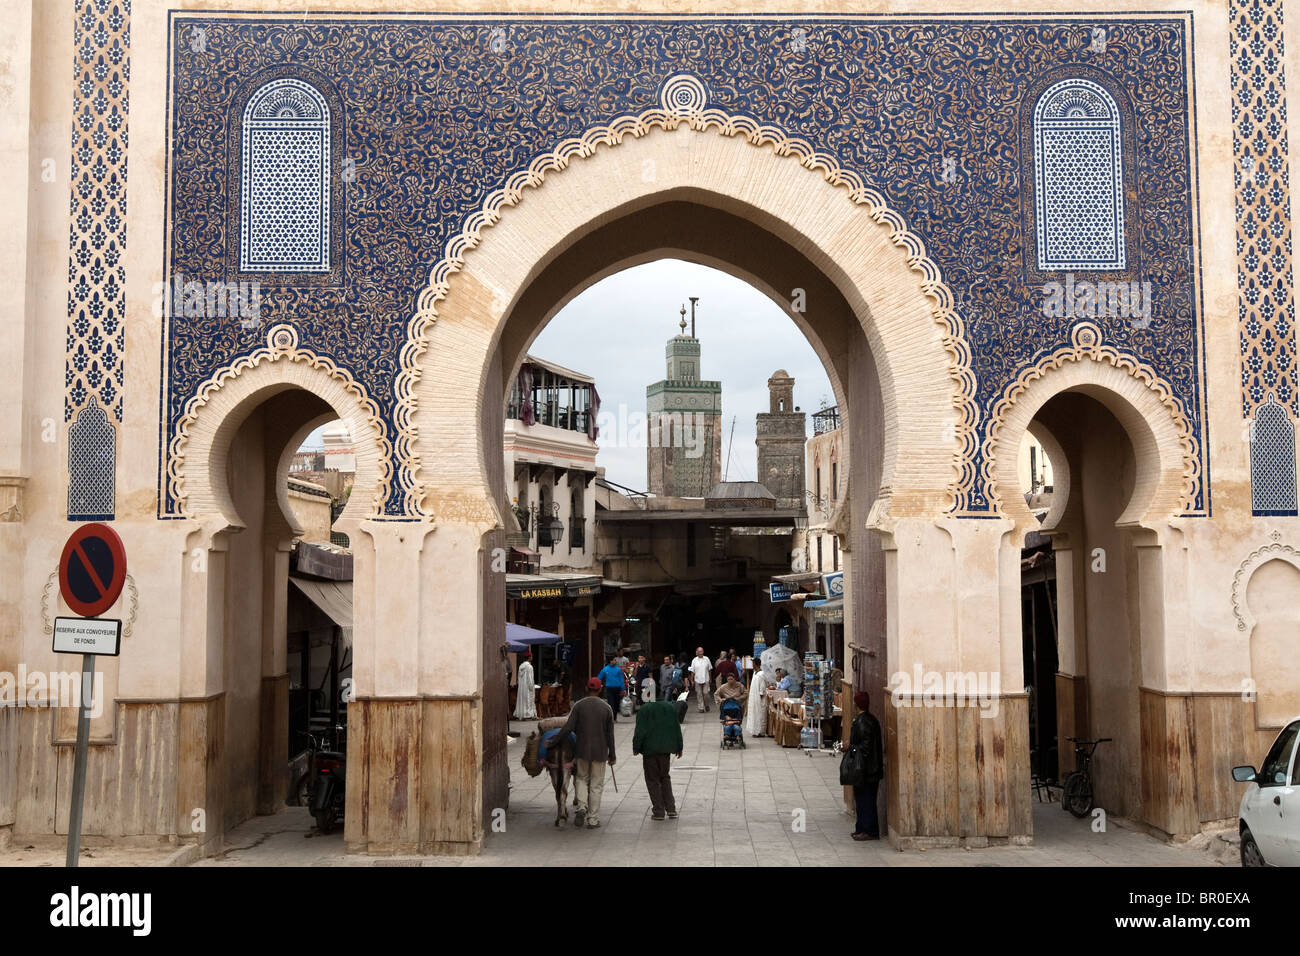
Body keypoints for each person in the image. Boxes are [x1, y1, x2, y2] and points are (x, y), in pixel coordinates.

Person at [557, 677, 617, 829]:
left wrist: (554, 740)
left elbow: (568, 727)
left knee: (581, 778)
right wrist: (612, 755)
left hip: (582, 750)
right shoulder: (606, 708)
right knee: (596, 785)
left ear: (586, 688)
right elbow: (610, 734)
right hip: (600, 752)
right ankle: (592, 819)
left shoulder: (578, 706)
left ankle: (582, 807)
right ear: (600, 688)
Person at [632, 696, 683, 820]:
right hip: (665, 750)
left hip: (649, 750)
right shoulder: (669, 707)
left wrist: (636, 747)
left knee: (652, 780)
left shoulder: (644, 709)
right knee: (665, 777)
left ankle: (659, 811)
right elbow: (676, 727)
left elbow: (640, 730)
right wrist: (679, 747)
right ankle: (671, 808)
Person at [849, 691, 884, 841]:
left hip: (867, 769)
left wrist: (850, 748)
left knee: (866, 800)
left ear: (857, 704)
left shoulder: (864, 722)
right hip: (868, 768)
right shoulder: (868, 720)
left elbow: (865, 747)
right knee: (862, 799)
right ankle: (862, 827)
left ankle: (869, 830)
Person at [597, 656, 626, 721]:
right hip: (609, 689)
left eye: (615, 660)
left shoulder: (618, 669)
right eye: (614, 660)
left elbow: (621, 680)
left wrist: (623, 689)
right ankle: (611, 718)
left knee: (616, 704)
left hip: (617, 688)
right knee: (611, 704)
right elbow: (599, 677)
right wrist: (598, 685)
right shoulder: (605, 669)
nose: (615, 661)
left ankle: (615, 717)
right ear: (610, 661)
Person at [745, 663, 768, 737]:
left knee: (760, 715)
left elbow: (762, 686)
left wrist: (760, 697)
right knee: (755, 714)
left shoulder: (761, 674)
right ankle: (755, 730)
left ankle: (760, 732)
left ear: (756, 664)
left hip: (759, 699)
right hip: (754, 698)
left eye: (753, 664)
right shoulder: (755, 673)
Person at [513, 653, 537, 720]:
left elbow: (518, 677)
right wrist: (531, 687)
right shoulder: (529, 667)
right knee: (528, 701)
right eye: (531, 656)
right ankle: (528, 714)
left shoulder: (521, 666)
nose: (532, 657)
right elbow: (530, 678)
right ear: (529, 657)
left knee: (522, 700)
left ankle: (521, 715)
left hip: (521, 687)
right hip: (527, 687)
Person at [689, 646, 713, 713]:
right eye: (699, 651)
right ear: (697, 652)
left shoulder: (707, 659)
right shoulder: (694, 660)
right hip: (697, 679)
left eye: (702, 651)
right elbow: (692, 671)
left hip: (706, 679)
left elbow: (710, 669)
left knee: (706, 694)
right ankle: (701, 708)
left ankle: (707, 705)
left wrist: (711, 679)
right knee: (699, 694)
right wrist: (692, 680)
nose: (701, 652)